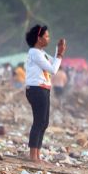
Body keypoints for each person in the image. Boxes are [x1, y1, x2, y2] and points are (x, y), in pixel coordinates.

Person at [23, 24, 65, 163]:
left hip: (44, 89)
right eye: (46, 36)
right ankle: (33, 155)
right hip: (36, 89)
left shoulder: (41, 53)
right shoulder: (34, 53)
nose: (48, 39)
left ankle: (37, 154)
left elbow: (54, 63)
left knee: (44, 122)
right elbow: (53, 70)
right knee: (39, 121)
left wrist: (58, 52)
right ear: (38, 38)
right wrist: (59, 54)